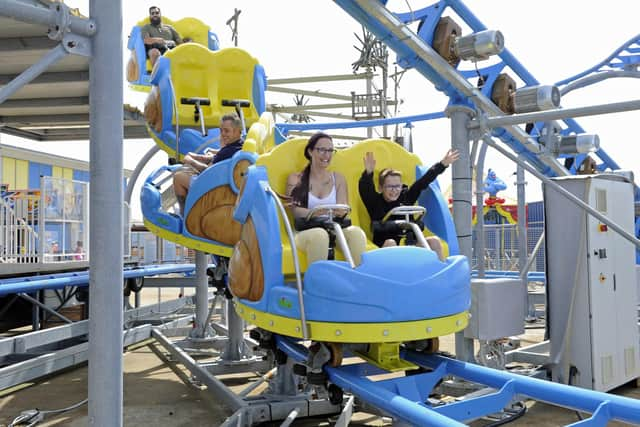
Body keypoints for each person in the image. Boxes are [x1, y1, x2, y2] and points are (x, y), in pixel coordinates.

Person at [358, 149, 460, 260]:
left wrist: (442, 164)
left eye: (397, 186)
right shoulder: (375, 202)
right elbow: (365, 188)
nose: (394, 190)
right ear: (381, 188)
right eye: (390, 186)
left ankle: (442, 274)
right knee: (391, 243)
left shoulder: (406, 197)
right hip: (386, 248)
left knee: (434, 241)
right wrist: (368, 174)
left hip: (408, 244)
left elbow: (423, 182)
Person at [286, 132, 367, 266]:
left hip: (334, 228)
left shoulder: (338, 178)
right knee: (320, 235)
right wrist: (314, 213)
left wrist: (336, 212)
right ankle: (318, 283)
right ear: (310, 151)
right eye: (322, 150)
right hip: (306, 230)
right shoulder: (295, 179)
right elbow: (294, 210)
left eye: (330, 150)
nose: (327, 155)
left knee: (356, 233)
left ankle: (357, 279)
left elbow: (342, 208)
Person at [173, 113, 244, 215]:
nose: (223, 134)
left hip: (213, 186)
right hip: (222, 181)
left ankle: (185, 215)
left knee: (178, 177)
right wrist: (198, 157)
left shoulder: (228, 151)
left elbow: (207, 171)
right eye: (221, 130)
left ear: (237, 131)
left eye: (227, 131)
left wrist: (191, 161)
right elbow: (218, 156)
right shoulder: (240, 145)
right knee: (186, 170)